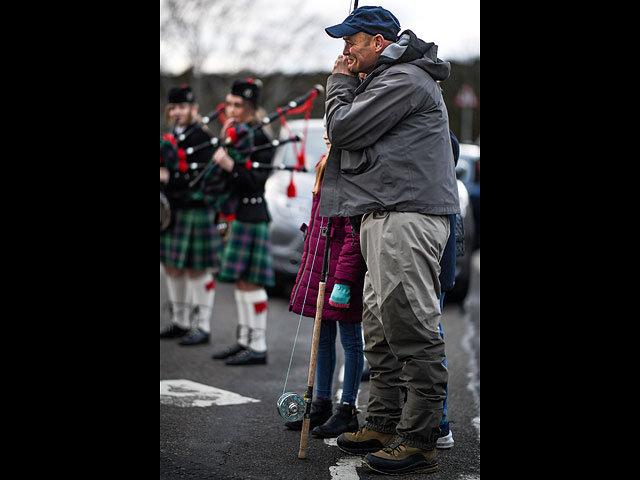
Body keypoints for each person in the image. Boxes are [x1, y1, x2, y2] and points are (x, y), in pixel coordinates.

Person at [320, 6, 460, 475]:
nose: (344, 51)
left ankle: (419, 439)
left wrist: (338, 86)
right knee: (380, 327)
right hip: (385, 215)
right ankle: (382, 423)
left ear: (378, 43)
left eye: (351, 41)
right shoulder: (388, 79)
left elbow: (344, 128)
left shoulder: (405, 79)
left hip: (408, 217)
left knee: (411, 328)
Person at [285, 130, 366, 438]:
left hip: (343, 272)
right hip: (322, 267)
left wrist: (344, 280)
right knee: (322, 336)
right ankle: (321, 402)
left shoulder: (353, 175)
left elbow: (354, 236)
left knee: (350, 337)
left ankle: (347, 408)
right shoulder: (324, 167)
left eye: (333, 130)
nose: (325, 135)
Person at [210, 78, 276, 366]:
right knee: (240, 282)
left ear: (250, 107)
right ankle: (245, 341)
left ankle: (258, 345)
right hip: (237, 215)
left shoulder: (260, 137)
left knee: (252, 281)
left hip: (253, 214)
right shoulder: (234, 133)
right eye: (229, 104)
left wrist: (230, 165)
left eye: (238, 105)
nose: (232, 110)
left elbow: (257, 181)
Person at [160, 84, 230, 346]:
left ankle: (202, 326)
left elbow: (201, 179)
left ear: (193, 109)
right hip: (172, 212)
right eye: (174, 107)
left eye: (183, 107)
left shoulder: (203, 137)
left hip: (197, 210)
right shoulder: (170, 136)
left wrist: (170, 177)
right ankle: (180, 322)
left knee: (196, 270)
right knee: (172, 267)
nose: (178, 112)